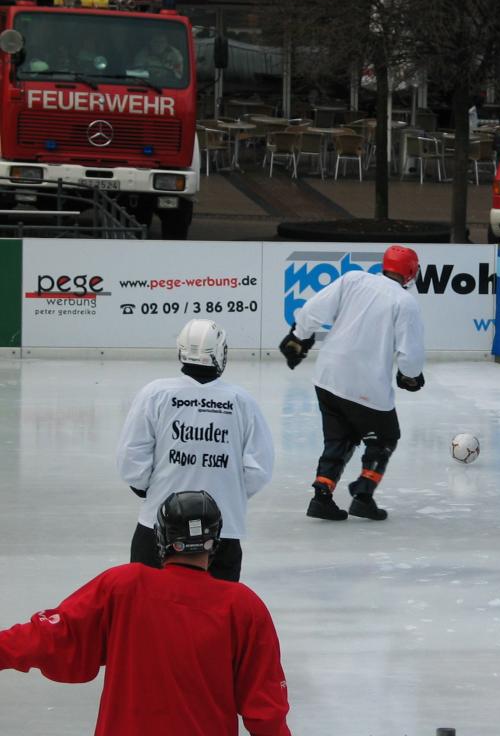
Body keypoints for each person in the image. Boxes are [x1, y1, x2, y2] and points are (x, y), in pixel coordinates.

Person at [0, 491, 291, 736]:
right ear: (215, 541)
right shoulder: (242, 607)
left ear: (161, 537)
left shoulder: (123, 587)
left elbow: (51, 636)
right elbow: (266, 710)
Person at [117, 319, 275, 582]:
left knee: (148, 606)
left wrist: (142, 484)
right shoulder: (241, 401)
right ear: (221, 352)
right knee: (215, 613)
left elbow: (132, 452)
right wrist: (229, 492)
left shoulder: (156, 394)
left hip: (159, 524)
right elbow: (260, 466)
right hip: (223, 530)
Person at [280, 244, 425, 522]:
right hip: (366, 385)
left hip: (328, 377)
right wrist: (410, 376)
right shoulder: (405, 303)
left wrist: (299, 335)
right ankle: (363, 495)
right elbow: (411, 356)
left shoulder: (354, 279)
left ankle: (321, 496)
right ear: (410, 272)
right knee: (385, 438)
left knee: (339, 438)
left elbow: (313, 308)